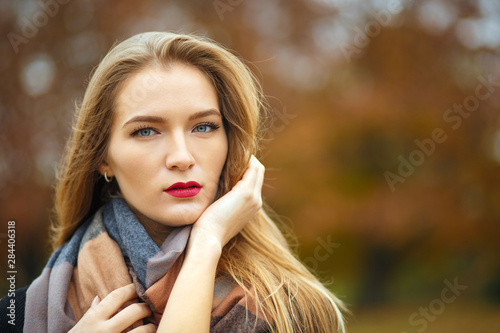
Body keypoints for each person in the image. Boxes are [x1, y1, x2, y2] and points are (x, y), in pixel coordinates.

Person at [0, 32, 346, 332]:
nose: (181, 156)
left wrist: (207, 242)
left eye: (204, 126)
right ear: (103, 157)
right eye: (146, 131)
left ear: (231, 141)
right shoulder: (18, 316)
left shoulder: (289, 310)